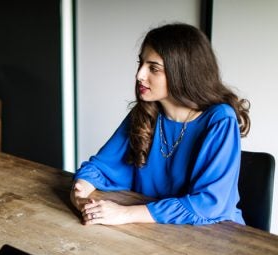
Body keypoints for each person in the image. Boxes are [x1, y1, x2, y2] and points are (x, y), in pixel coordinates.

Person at [70, 23, 250, 226]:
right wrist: (81, 191)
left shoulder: (219, 119)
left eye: (154, 68)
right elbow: (101, 168)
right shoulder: (144, 113)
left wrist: (125, 214)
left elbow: (209, 205)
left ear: (183, 73)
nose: (139, 75)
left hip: (213, 238)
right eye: (141, 63)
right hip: (154, 232)